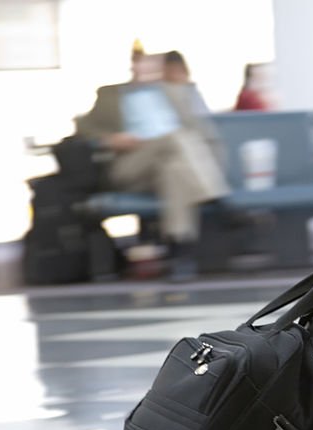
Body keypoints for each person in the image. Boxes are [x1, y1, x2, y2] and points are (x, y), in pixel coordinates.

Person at [75, 49, 230, 279]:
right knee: (175, 138)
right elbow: (84, 129)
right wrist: (110, 139)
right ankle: (217, 195)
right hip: (130, 164)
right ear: (133, 66)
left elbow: (199, 130)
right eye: (142, 65)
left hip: (167, 166)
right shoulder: (110, 95)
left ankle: (180, 254)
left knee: (173, 170)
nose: (146, 70)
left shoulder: (173, 92)